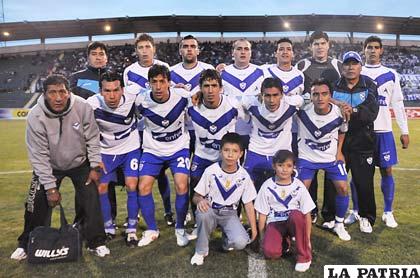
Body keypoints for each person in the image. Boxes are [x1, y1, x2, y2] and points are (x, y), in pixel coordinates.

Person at [11, 74, 109, 261]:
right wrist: (50, 187)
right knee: (36, 201)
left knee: (91, 198)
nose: (58, 97)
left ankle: (96, 242)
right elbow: (38, 155)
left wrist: (95, 165)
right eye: (52, 93)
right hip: (50, 166)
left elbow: (93, 137)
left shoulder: (82, 107)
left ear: (68, 92)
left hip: (80, 163)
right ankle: (27, 242)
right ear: (45, 94)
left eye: (62, 92)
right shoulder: (35, 116)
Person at [345, 36, 410, 228]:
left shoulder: (391, 74)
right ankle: (356, 211)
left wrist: (404, 130)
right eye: (369, 47)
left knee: (386, 170)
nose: (372, 50)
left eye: (376, 47)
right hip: (359, 131)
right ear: (363, 50)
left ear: (381, 50)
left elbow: (397, 104)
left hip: (383, 130)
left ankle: (388, 212)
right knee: (358, 173)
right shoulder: (356, 70)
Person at [133, 64, 191, 247]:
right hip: (153, 150)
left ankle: (180, 227)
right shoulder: (140, 101)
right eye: (154, 82)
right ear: (149, 83)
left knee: (182, 185)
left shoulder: (183, 97)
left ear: (169, 83)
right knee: (143, 187)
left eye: (162, 82)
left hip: (178, 148)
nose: (158, 86)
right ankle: (151, 229)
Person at [123, 33, 174, 226]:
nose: (144, 51)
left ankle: (168, 211)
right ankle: (135, 213)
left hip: (161, 127)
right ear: (136, 51)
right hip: (141, 130)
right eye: (141, 47)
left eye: (147, 47)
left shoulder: (164, 67)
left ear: (154, 49)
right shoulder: (129, 71)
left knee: (161, 175)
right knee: (139, 176)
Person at [86, 71, 140, 247]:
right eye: (107, 91)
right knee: (102, 187)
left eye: (116, 90)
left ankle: (132, 229)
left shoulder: (134, 94)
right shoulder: (91, 104)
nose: (112, 95)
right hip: (106, 151)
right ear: (100, 91)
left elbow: (157, 92)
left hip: (130, 148)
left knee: (132, 185)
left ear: (122, 89)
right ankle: (108, 228)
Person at [70, 41, 119, 228]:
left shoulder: (114, 77)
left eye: (102, 53)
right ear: (88, 57)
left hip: (107, 139)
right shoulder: (76, 78)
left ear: (107, 57)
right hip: (83, 139)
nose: (98, 57)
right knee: (83, 180)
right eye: (94, 53)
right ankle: (81, 219)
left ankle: (110, 217)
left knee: (108, 179)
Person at [296, 31, 342, 226]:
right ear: (311, 47)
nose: (320, 47)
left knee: (332, 170)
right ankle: (311, 209)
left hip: (331, 123)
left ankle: (330, 214)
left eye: (323, 43)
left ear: (328, 45)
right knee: (309, 173)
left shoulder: (337, 65)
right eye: (316, 44)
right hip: (308, 124)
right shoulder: (302, 65)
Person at [190, 132, 257, 266]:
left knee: (241, 242)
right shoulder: (211, 170)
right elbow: (195, 196)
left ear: (241, 154)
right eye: (226, 150)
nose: (230, 155)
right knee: (203, 214)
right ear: (221, 152)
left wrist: (254, 232)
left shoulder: (244, 176)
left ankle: (227, 241)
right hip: (211, 209)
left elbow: (248, 205)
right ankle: (201, 251)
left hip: (230, 214)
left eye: (234, 151)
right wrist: (200, 200)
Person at [296, 79, 351, 241]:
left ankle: (339, 223)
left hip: (330, 157)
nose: (320, 98)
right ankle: (297, 225)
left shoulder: (340, 113)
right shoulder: (301, 110)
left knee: (342, 187)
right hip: (306, 158)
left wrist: (339, 151)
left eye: (324, 94)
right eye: (316, 94)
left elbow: (342, 131)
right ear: (310, 97)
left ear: (330, 96)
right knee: (299, 191)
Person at [188, 69, 242, 228]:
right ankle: (198, 222)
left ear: (221, 87)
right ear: (200, 88)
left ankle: (234, 221)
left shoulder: (234, 104)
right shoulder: (191, 104)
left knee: (234, 188)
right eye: (206, 86)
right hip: (202, 155)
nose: (210, 90)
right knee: (195, 187)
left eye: (214, 85)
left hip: (225, 158)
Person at [332, 51, 379, 233]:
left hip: (363, 142)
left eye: (354, 64)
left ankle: (366, 217)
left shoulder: (369, 84)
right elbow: (325, 103)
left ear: (360, 66)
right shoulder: (335, 84)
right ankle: (332, 217)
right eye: (347, 64)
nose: (350, 67)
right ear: (342, 67)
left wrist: (351, 110)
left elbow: (371, 112)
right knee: (334, 181)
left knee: (364, 182)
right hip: (339, 142)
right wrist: (337, 103)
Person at [254, 150, 314, 272]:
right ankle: (285, 242)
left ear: (294, 167)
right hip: (275, 223)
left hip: (293, 222)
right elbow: (262, 214)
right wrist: (262, 237)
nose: (284, 169)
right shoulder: (267, 186)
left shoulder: (299, 185)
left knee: (296, 215)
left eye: (288, 166)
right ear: (274, 166)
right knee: (271, 253)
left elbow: (307, 214)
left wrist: (307, 240)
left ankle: (304, 257)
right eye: (280, 165)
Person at [242, 77, 303, 192]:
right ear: (261, 95)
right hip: (256, 151)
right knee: (246, 188)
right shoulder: (250, 103)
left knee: (289, 189)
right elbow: (232, 101)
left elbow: (306, 99)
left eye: (275, 95)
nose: (271, 100)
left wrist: (338, 104)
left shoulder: (292, 103)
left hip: (281, 152)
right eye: (267, 96)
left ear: (282, 95)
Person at [261, 38, 305, 155]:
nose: (285, 52)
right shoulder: (264, 70)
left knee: (291, 162)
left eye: (288, 49)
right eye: (281, 49)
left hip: (294, 127)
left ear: (293, 54)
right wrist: (222, 67)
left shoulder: (299, 75)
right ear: (276, 53)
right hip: (270, 124)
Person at [220, 39, 264, 151]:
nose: (243, 52)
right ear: (233, 53)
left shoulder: (261, 72)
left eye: (246, 49)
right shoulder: (223, 73)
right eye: (239, 49)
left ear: (250, 53)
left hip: (255, 129)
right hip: (230, 128)